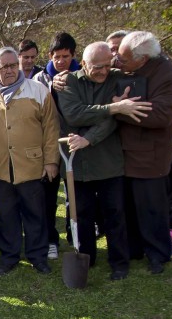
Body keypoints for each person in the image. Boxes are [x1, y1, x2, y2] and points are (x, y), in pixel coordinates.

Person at [57, 41, 152, 280]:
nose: (103, 71)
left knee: (115, 214)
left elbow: (115, 120)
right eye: (97, 67)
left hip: (109, 161)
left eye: (107, 66)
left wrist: (89, 137)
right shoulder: (68, 81)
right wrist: (113, 107)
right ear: (83, 63)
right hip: (78, 163)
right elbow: (74, 114)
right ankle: (86, 257)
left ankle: (119, 262)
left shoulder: (117, 79)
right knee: (83, 214)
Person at [0, 47, 60, 275]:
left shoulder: (38, 91)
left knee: (35, 214)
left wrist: (51, 161)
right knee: (5, 216)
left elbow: (51, 128)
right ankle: (9, 257)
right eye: (4, 66)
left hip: (32, 165)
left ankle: (38, 256)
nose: (10, 70)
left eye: (13, 65)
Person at [117, 30, 172, 274]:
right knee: (128, 206)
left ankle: (157, 254)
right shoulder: (125, 65)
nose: (118, 62)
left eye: (123, 59)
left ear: (142, 59)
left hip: (150, 156)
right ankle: (134, 249)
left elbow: (161, 115)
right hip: (124, 152)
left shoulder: (166, 74)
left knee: (151, 207)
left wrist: (121, 109)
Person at [36, 32, 82, 260]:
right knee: (48, 197)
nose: (61, 61)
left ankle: (76, 237)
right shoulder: (40, 79)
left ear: (73, 55)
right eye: (57, 57)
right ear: (50, 55)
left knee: (77, 196)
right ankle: (50, 240)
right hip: (51, 145)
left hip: (77, 143)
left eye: (66, 56)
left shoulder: (82, 75)